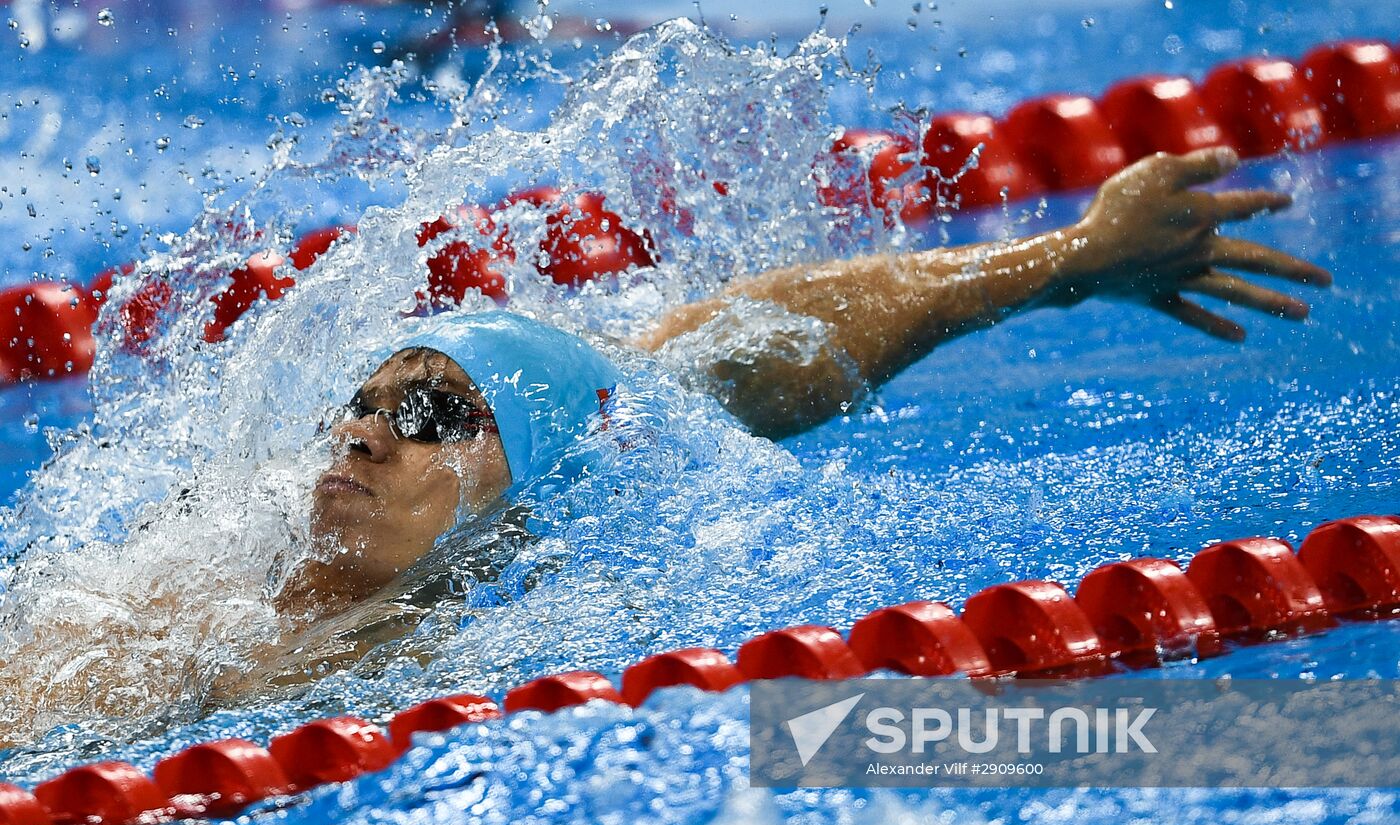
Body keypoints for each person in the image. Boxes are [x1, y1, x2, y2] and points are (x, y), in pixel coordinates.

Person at [283, 146, 1327, 635]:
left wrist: (1073, 256)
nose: (366, 439)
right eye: (362, 405)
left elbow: (740, 354)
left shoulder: (568, 595)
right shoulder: (213, 567)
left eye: (427, 415)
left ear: (539, 483)